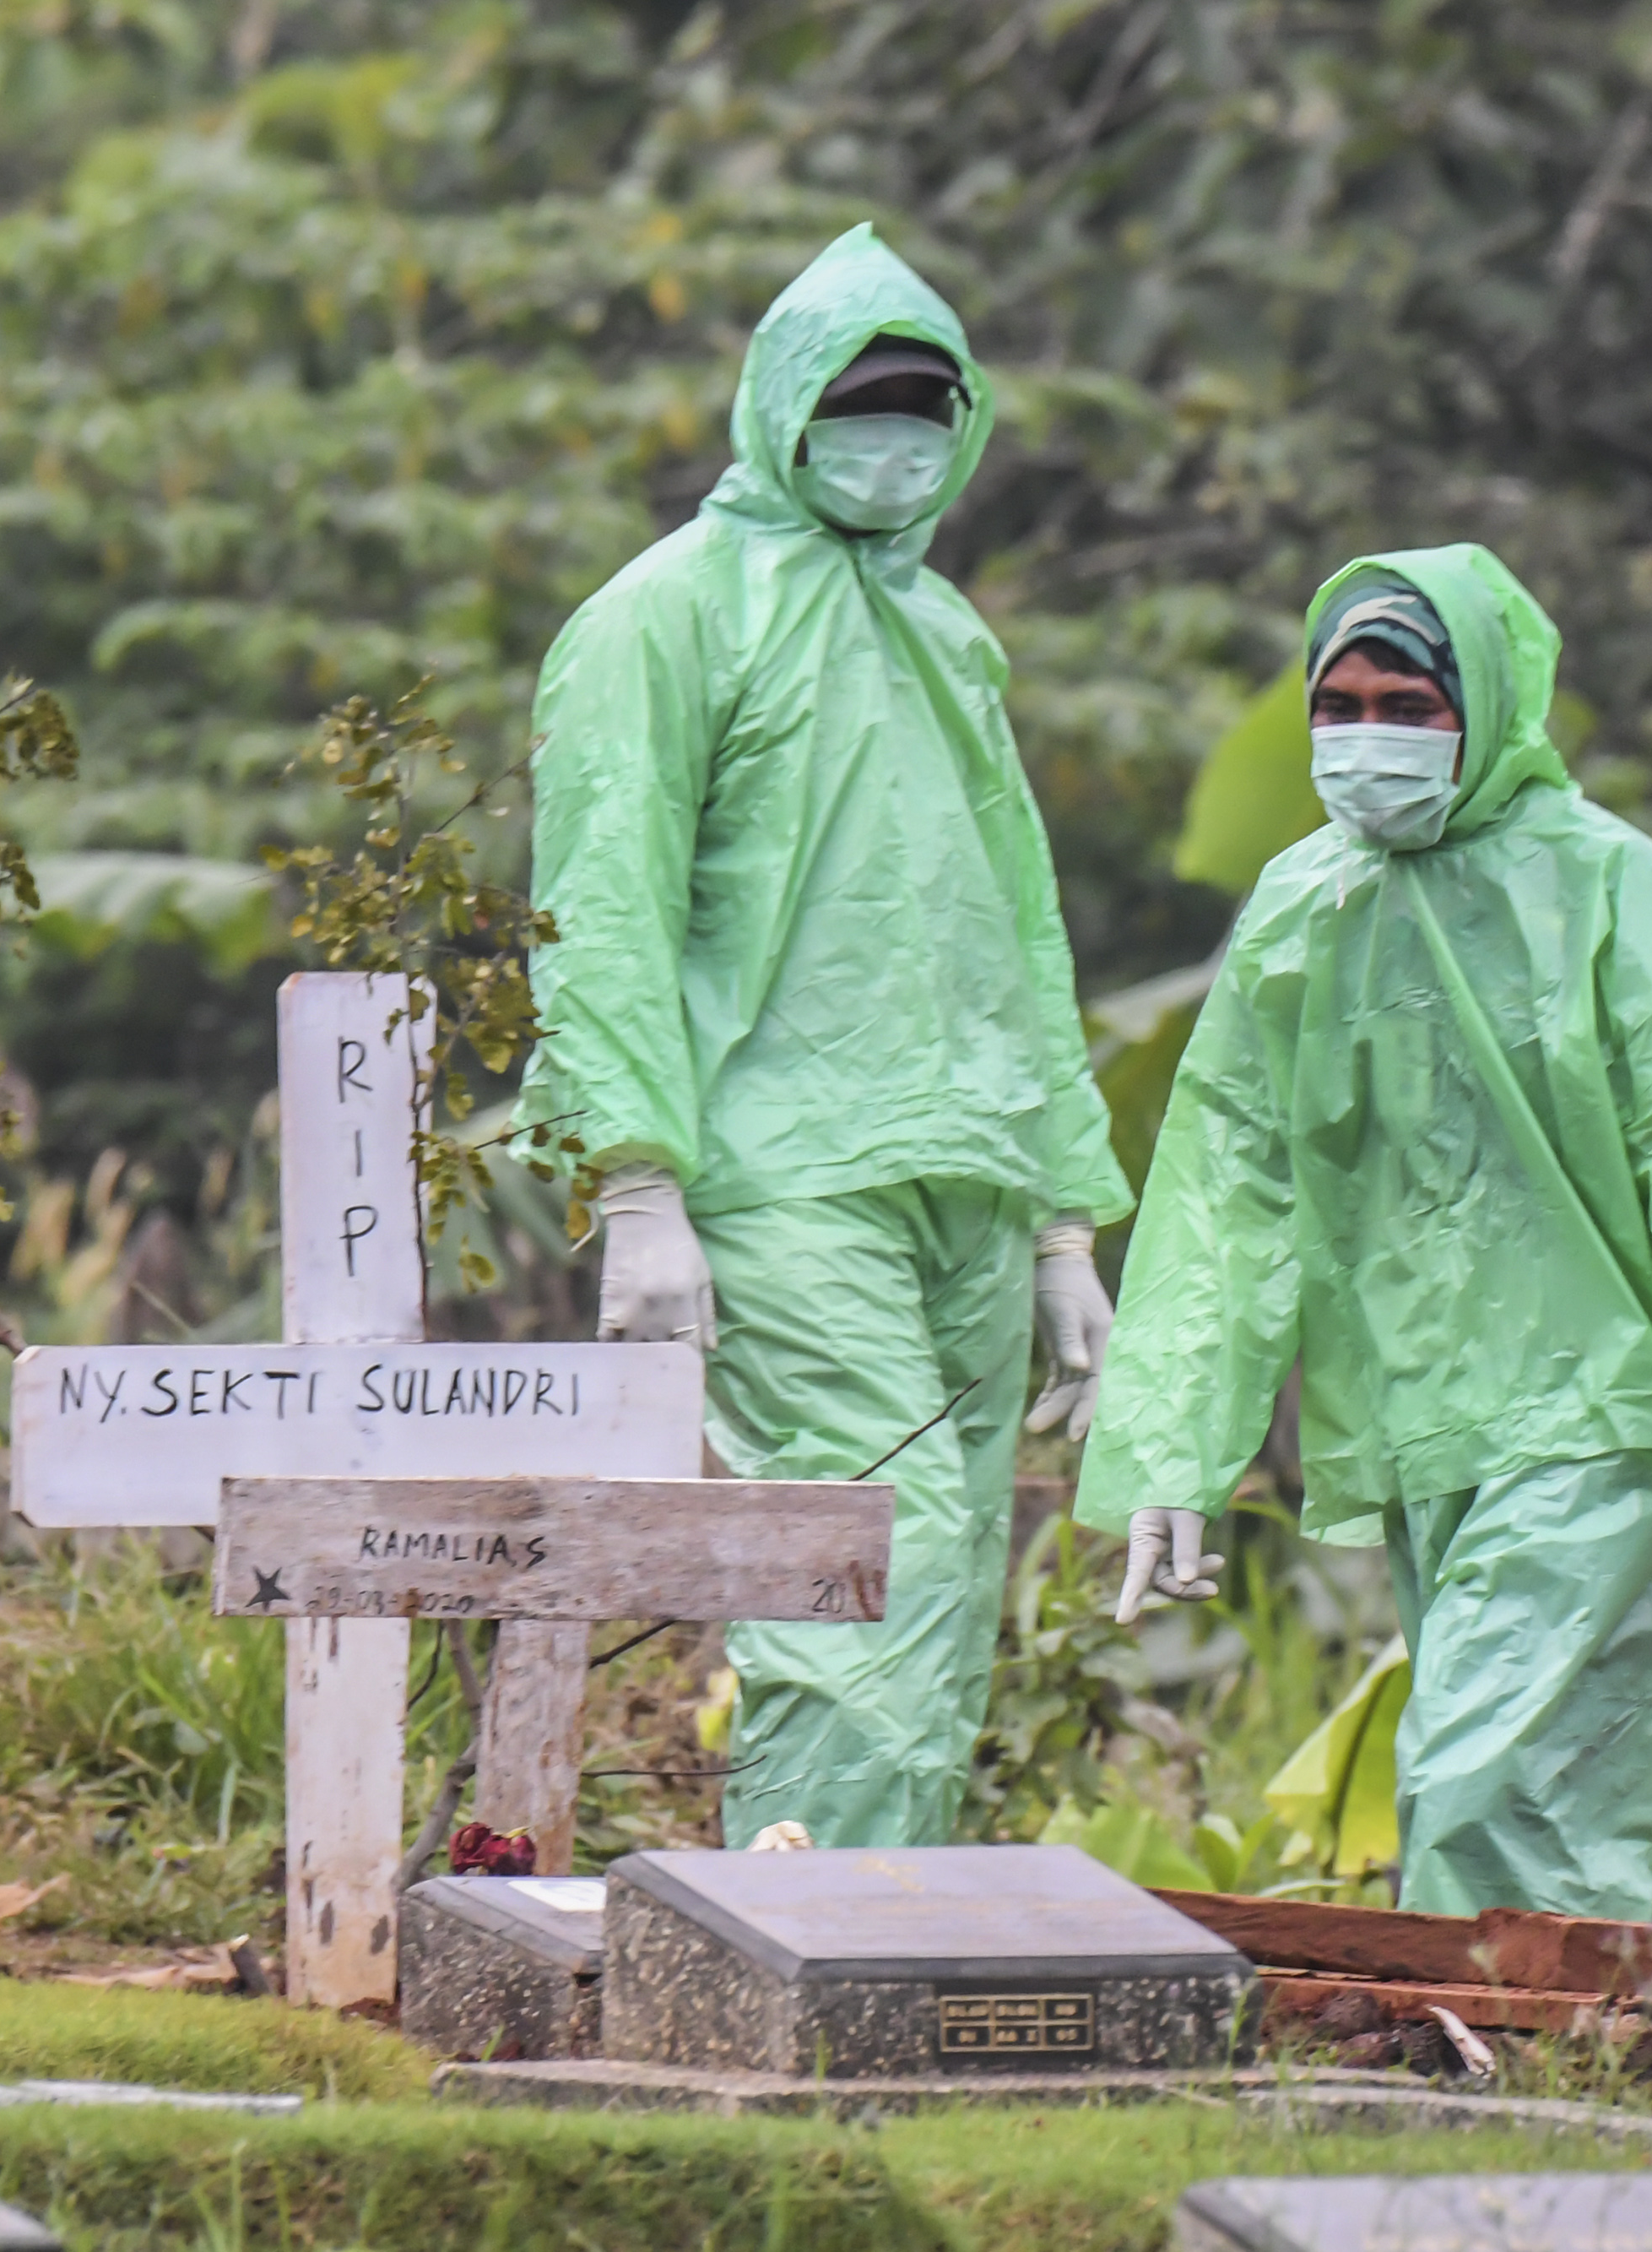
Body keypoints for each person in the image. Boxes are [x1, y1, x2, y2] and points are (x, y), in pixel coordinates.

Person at [1073, 545, 1652, 1926]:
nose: (1367, 740)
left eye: (1409, 706)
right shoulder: (1301, 910)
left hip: (1615, 1415)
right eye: (1338, 706)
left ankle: (1492, 2059)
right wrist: (1174, 1442)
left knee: (1472, 1771)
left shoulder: (1614, 891)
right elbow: (1228, 1188)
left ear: (1490, 702)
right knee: (1600, 1786)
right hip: (1429, 1426)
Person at [523, 225, 1130, 1849]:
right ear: (783, 412)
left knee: (946, 1585)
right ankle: (806, 1934)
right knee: (877, 1542)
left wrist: (1064, 1213)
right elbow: (605, 904)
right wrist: (636, 1181)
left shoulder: (949, 637)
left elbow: (1019, 927)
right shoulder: (663, 617)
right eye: (860, 406)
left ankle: (867, 1929)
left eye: (926, 411)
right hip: (778, 1163)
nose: (894, 442)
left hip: (970, 1171)